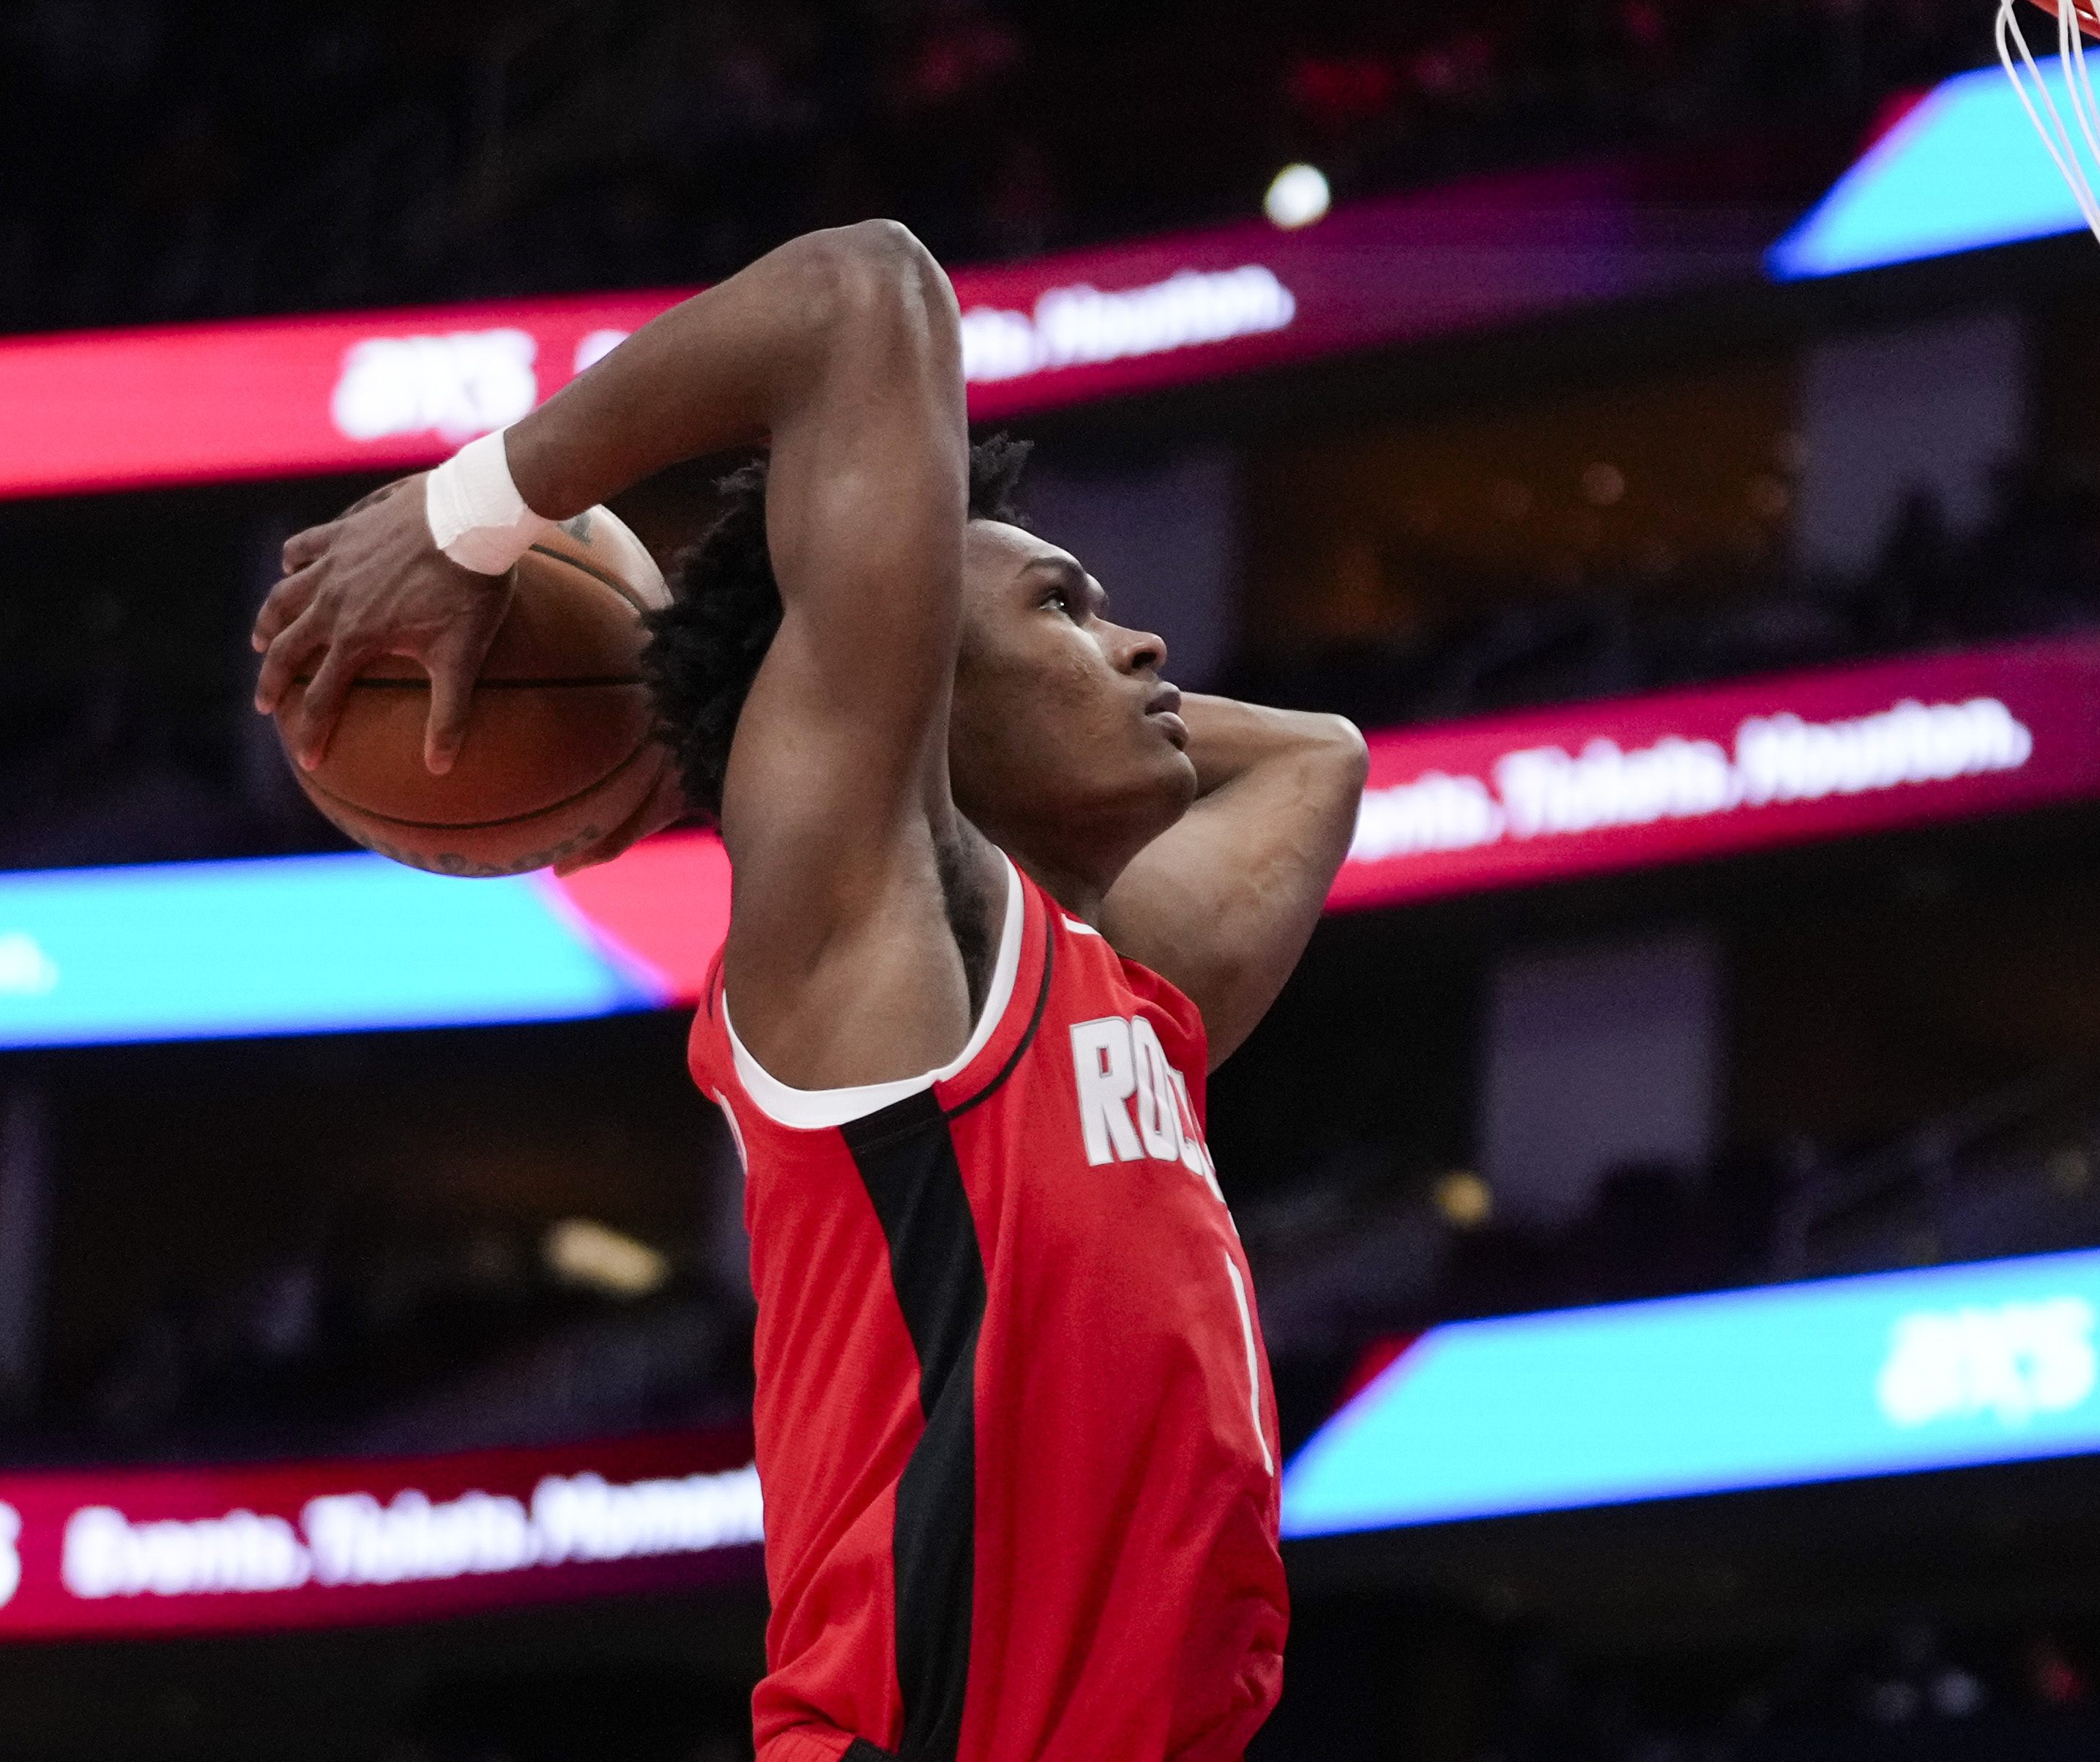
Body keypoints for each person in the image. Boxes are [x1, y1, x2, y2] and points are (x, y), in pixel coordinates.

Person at [250, 220, 1369, 1762]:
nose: (1144, 643)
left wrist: (959, 680)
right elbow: (862, 293)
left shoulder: (1121, 1007)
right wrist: (473, 511)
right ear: (912, 695)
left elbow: (1321, 757)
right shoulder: (876, 950)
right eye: (1066, 606)